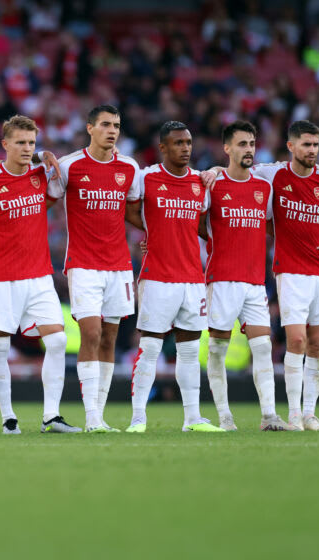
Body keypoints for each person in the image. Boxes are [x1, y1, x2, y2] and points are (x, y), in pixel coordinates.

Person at [249, 120, 319, 431]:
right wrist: (216, 172)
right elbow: (239, 171)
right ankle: (295, 414)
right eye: (306, 145)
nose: (312, 150)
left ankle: (310, 414)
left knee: (317, 343)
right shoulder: (273, 174)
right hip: (290, 271)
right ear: (291, 146)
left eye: (315, 144)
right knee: (296, 339)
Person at [0, 115, 81, 434]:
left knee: (58, 341)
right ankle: (8, 418)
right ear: (5, 145)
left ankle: (51, 416)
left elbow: (55, 189)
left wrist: (41, 155)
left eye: (31, 142)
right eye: (20, 142)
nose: (26, 148)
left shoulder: (41, 174)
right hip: (2, 276)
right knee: (1, 348)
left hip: (39, 274)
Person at [124, 121, 223, 433]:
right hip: (157, 277)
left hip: (193, 277)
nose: (186, 148)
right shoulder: (147, 177)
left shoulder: (199, 183)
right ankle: (138, 417)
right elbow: (130, 210)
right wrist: (152, 232)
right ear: (163, 147)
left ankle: (192, 418)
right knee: (150, 348)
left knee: (190, 351)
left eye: (189, 142)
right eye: (178, 143)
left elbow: (200, 223)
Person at [54, 104, 141, 433]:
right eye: (105, 124)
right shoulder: (69, 166)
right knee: (89, 333)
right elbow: (41, 196)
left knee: (109, 338)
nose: (112, 130)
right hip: (84, 265)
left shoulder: (130, 169)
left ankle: (99, 415)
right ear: (90, 128)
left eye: (116, 125)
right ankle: (91, 416)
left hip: (119, 267)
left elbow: (137, 213)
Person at [203, 121, 293, 431]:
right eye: (242, 144)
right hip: (222, 278)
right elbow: (196, 223)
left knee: (264, 347)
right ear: (227, 148)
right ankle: (225, 417)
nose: (249, 150)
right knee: (217, 348)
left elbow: (267, 224)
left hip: (255, 281)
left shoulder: (263, 187)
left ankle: (269, 416)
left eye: (252, 144)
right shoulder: (213, 184)